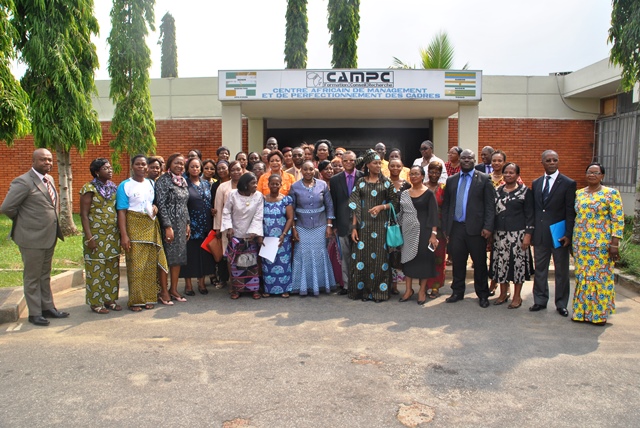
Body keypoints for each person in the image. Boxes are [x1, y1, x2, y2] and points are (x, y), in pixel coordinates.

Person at [1, 148, 68, 326]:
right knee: (32, 276)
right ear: (33, 161)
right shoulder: (23, 182)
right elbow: (7, 208)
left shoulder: (50, 179)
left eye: (50, 160)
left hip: (49, 236)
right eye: (43, 160)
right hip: (31, 238)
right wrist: (24, 222)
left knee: (44, 274)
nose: (47, 163)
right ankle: (35, 313)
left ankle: (48, 307)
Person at [441, 149, 496, 308]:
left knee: (479, 264)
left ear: (474, 160)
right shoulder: (451, 180)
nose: (466, 160)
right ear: (460, 159)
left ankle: (483, 295)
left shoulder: (484, 179)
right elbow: (446, 206)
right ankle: (457, 292)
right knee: (458, 262)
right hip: (456, 228)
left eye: (469, 158)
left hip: (477, 230)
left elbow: (490, 206)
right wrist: (446, 227)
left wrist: (488, 227)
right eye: (463, 158)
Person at [571, 163, 624, 325]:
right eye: (589, 172)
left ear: (602, 176)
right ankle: (581, 313)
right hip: (581, 243)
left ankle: (599, 315)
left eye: (596, 173)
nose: (592, 175)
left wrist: (614, 244)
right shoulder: (579, 194)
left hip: (601, 244)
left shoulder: (611, 194)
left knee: (599, 278)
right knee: (582, 277)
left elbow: (618, 219)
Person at [116, 155, 169, 311]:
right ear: (132, 166)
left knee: (150, 265)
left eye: (143, 164)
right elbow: (121, 212)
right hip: (134, 226)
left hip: (150, 225)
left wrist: (155, 208)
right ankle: (136, 300)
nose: (141, 167)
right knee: (136, 266)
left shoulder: (151, 183)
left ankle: (149, 297)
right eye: (138, 164)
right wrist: (124, 235)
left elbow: (152, 203)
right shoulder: (125, 185)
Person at [348, 149, 399, 302]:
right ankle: (363, 292)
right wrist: (354, 228)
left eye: (379, 163)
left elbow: (395, 203)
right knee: (361, 260)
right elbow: (355, 205)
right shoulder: (361, 182)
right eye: (375, 163)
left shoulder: (386, 182)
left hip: (381, 227)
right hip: (363, 227)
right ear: (368, 165)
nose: (379, 166)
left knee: (380, 261)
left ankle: (379, 292)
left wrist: (381, 207)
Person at [530, 150, 576, 317]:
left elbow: (570, 212)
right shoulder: (536, 183)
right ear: (542, 162)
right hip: (541, 235)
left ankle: (561, 303)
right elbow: (536, 209)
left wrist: (568, 234)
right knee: (540, 269)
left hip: (559, 235)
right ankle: (540, 301)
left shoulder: (568, 183)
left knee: (561, 271)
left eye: (554, 160)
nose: (551, 162)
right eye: (548, 160)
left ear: (558, 162)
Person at [489, 163, 534, 309]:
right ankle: (503, 294)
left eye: (511, 172)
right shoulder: (497, 191)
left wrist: (528, 235)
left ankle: (517, 296)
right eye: (506, 172)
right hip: (499, 235)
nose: (508, 175)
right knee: (500, 264)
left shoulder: (525, 191)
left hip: (518, 235)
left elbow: (530, 215)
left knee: (517, 266)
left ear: (517, 175)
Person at [79, 158, 121, 314]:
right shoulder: (89, 188)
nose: (110, 170)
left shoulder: (113, 188)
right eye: (105, 168)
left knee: (112, 268)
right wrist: (89, 238)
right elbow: (83, 215)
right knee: (96, 268)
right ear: (97, 172)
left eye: (110, 167)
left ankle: (109, 299)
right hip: (96, 236)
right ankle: (95, 302)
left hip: (112, 235)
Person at [290, 161, 336, 296]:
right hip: (301, 227)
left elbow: (329, 206)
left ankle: (320, 285)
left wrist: (329, 226)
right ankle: (301, 286)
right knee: (302, 254)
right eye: (305, 169)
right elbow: (291, 209)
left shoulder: (322, 185)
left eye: (311, 169)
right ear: (301, 171)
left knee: (319, 254)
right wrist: (293, 228)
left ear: (314, 170)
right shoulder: (295, 187)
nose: (308, 172)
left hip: (320, 226)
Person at [398, 165, 439, 305]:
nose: (414, 176)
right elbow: (400, 212)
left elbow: (434, 215)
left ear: (422, 176)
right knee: (408, 259)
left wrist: (433, 235)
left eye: (417, 174)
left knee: (424, 259)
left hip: (424, 231)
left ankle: (421, 290)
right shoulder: (404, 193)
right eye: (412, 174)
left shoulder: (428, 193)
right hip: (407, 231)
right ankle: (408, 290)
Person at [221, 173, 264, 299]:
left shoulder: (258, 196)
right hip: (235, 234)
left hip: (251, 235)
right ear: (245, 185)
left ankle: (254, 289)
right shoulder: (232, 194)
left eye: (256, 182)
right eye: (253, 183)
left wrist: (254, 232)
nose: (256, 185)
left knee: (252, 263)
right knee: (236, 264)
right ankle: (237, 289)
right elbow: (226, 211)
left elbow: (258, 215)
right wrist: (229, 228)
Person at [155, 153, 191, 303]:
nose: (179, 166)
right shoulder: (163, 181)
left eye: (182, 164)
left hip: (181, 224)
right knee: (166, 258)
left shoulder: (182, 181)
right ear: (169, 164)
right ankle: (164, 291)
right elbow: (161, 205)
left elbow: (185, 204)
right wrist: (167, 226)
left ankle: (174, 289)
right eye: (176, 163)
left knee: (178, 258)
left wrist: (187, 223)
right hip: (169, 225)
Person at [179, 157, 216, 296]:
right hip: (190, 225)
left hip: (205, 224)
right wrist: (186, 223)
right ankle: (188, 285)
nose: (195, 169)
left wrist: (213, 211)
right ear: (188, 168)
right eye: (192, 166)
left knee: (203, 255)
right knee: (190, 255)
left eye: (197, 166)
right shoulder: (183, 183)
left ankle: (201, 283)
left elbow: (209, 202)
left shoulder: (206, 184)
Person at [330, 151, 363, 295]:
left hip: (360, 222)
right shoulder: (335, 179)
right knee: (345, 254)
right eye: (345, 160)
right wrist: (335, 225)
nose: (348, 163)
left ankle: (360, 285)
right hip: (343, 222)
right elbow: (334, 203)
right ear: (341, 162)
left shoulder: (363, 177)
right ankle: (347, 285)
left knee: (361, 254)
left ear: (356, 161)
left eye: (352, 160)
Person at [261, 174, 294, 298]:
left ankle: (284, 289)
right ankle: (268, 289)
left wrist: (284, 234)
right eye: (272, 183)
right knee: (267, 263)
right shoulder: (263, 199)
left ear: (281, 185)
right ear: (268, 184)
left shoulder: (286, 200)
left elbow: (290, 218)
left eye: (277, 183)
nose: (274, 186)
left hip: (282, 237)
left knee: (283, 263)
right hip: (267, 237)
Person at [388, 158, 411, 295]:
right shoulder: (384, 183)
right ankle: (390, 283)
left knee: (400, 253)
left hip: (403, 223)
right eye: (393, 166)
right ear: (389, 167)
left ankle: (398, 285)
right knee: (389, 253)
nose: (395, 168)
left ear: (402, 167)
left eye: (398, 166)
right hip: (387, 222)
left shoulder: (407, 185)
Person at [424, 161, 447, 299]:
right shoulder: (422, 186)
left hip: (439, 228)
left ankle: (435, 287)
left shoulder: (444, 188)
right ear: (428, 172)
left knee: (438, 258)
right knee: (425, 257)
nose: (434, 174)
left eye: (437, 172)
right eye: (432, 171)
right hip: (423, 227)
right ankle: (425, 285)